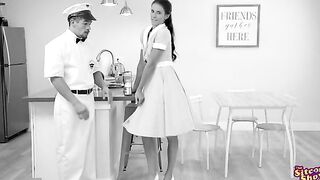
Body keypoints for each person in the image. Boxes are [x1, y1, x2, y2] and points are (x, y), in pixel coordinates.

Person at [123, 0, 194, 179]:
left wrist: (140, 89)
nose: (154, 15)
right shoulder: (145, 31)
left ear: (167, 16)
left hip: (164, 81)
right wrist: (135, 87)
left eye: (159, 13)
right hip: (150, 81)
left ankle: (169, 173)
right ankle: (152, 173)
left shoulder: (164, 33)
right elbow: (142, 63)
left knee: (170, 130)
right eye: (152, 11)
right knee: (147, 129)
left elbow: (152, 63)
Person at [44, 3, 108, 180]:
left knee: (87, 150)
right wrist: (75, 103)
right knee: (70, 152)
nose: (89, 28)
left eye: (90, 25)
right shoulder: (55, 45)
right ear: (73, 21)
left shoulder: (86, 46)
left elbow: (94, 70)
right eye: (85, 24)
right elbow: (55, 78)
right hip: (69, 103)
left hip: (88, 100)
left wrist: (104, 86)